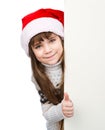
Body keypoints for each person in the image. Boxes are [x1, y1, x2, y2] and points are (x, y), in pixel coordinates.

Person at [21, 8, 74, 130]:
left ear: (61, 40)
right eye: (38, 46)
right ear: (32, 52)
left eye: (52, 40)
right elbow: (47, 114)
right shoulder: (37, 76)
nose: (48, 50)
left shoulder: (75, 61)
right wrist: (61, 110)